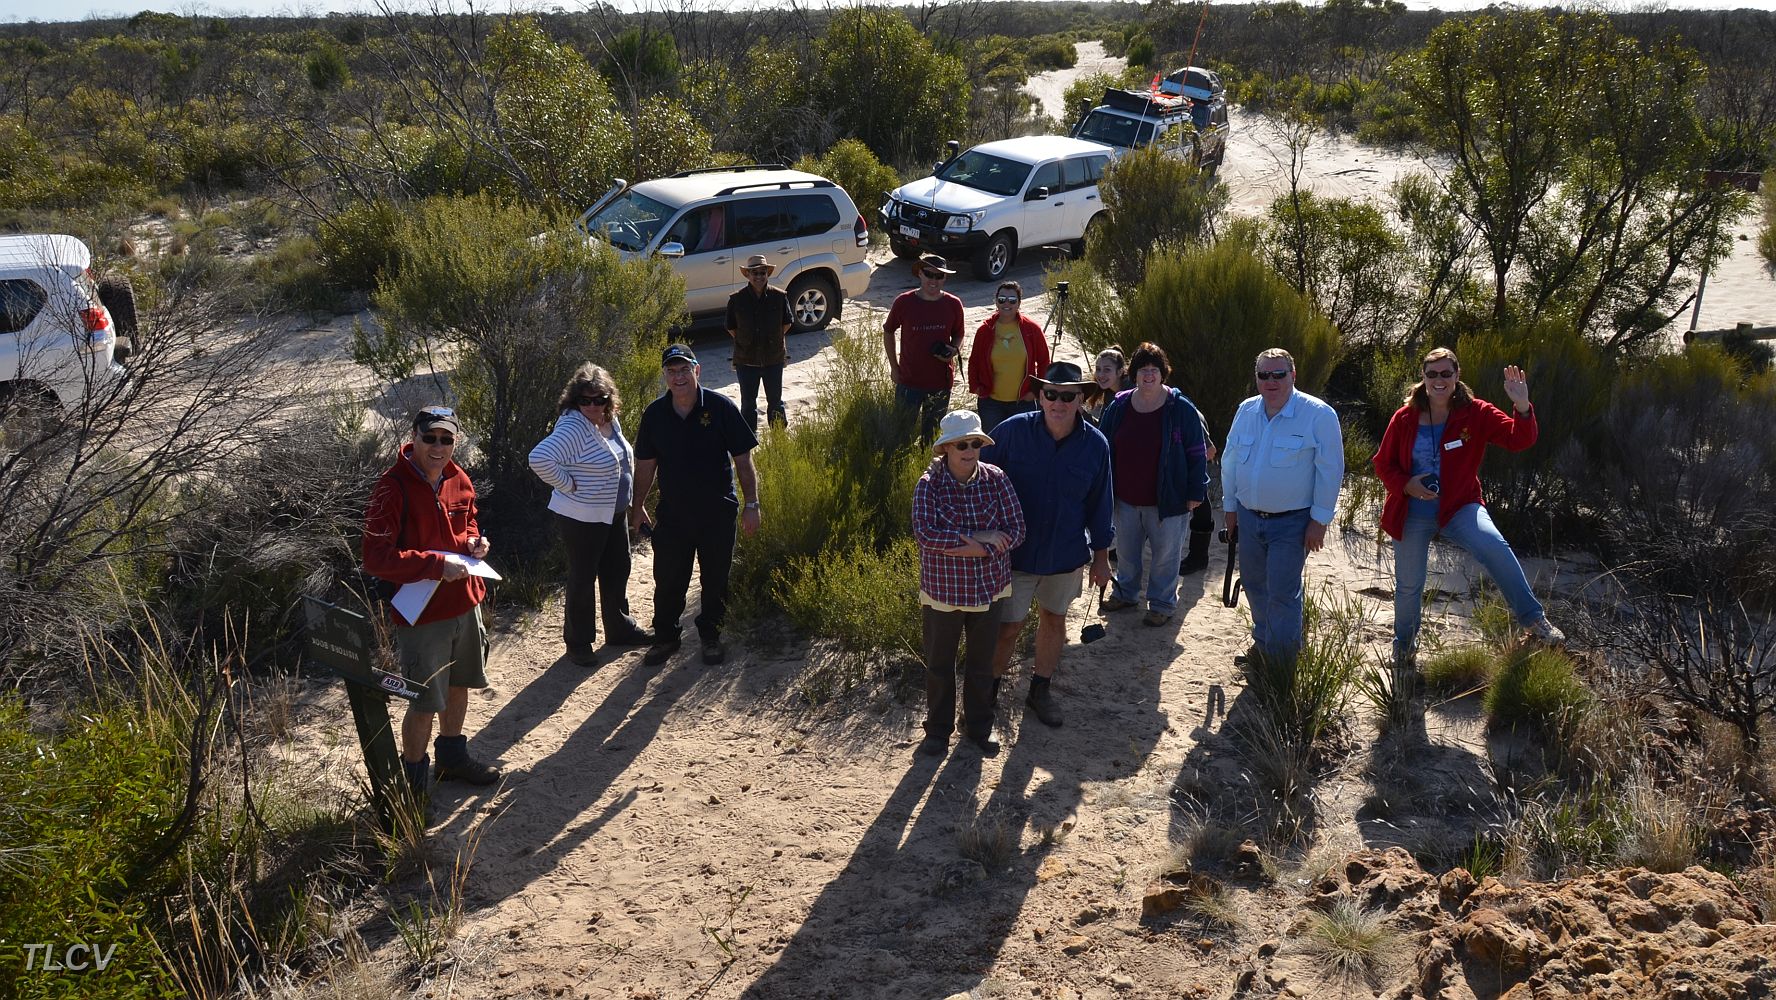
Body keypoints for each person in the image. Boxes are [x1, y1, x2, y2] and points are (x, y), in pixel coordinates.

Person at [1372, 348, 1565, 665]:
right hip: (1410, 511)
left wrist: (1521, 405)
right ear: (1423, 377)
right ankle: (1404, 645)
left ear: (1457, 376)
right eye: (1432, 374)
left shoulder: (1476, 413)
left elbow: (1519, 439)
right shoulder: (1404, 417)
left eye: (1445, 373)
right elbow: (1383, 464)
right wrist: (1407, 485)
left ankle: (1534, 621)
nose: (1439, 380)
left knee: (1494, 546)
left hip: (1460, 505)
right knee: (1409, 585)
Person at [363, 406, 501, 800]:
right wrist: (435, 565)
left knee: (460, 684)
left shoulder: (459, 478)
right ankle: (412, 786)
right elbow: (375, 558)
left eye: (447, 439)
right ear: (415, 437)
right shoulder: (392, 487)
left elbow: (469, 521)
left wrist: (476, 543)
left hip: (466, 603)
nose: (438, 447)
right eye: (430, 438)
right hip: (423, 615)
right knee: (424, 701)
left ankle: (453, 758)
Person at [982, 362, 1114, 728]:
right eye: (1051, 394)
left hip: (1066, 553)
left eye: (1068, 395)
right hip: (1016, 555)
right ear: (1040, 396)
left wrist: (1101, 559)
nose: (1058, 402)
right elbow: (976, 477)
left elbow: (1101, 504)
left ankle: (1040, 690)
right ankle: (987, 693)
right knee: (1008, 625)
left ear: (1082, 400)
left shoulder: (1096, 446)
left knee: (1054, 620)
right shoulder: (1011, 432)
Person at [631, 344, 762, 667]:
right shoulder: (655, 414)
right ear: (665, 376)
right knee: (668, 580)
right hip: (674, 515)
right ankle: (665, 638)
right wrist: (638, 506)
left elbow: (743, 461)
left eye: (684, 370)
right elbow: (646, 465)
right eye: (672, 371)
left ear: (697, 371)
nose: (678, 377)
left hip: (718, 512)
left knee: (716, 580)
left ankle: (711, 637)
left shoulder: (720, 408)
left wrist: (752, 504)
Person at [912, 410, 1027, 758]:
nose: (970, 449)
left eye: (976, 443)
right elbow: (926, 534)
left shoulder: (997, 479)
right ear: (945, 448)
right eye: (962, 444)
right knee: (939, 665)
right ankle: (938, 732)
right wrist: (981, 541)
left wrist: (972, 546)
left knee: (981, 665)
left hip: (989, 589)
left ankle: (978, 727)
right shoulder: (928, 485)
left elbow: (1018, 530)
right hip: (943, 592)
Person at [1221, 349, 1344, 665]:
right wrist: (1231, 508)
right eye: (1264, 375)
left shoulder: (1318, 415)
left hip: (1292, 523)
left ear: (1293, 375)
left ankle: (1280, 663)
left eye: (1279, 374)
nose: (1271, 381)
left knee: (1282, 591)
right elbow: (1231, 461)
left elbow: (1331, 471)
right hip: (1248, 518)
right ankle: (1263, 644)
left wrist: (1319, 520)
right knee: (1253, 584)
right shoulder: (1246, 411)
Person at [527, 364, 655, 668]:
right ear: (575, 401)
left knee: (618, 568)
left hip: (613, 512)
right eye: (585, 400)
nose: (593, 406)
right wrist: (568, 483)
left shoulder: (610, 420)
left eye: (599, 399)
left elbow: (622, 461)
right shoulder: (573, 427)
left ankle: (619, 628)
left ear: (609, 399)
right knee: (583, 577)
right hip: (582, 516)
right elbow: (539, 458)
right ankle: (579, 643)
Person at [1097, 343, 1209, 627]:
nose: (1148, 375)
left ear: (1163, 373)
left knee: (1165, 557)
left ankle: (1160, 604)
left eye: (1154, 370)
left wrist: (1197, 491)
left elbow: (1197, 452)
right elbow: (1102, 446)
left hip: (1169, 499)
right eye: (1143, 370)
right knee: (1126, 553)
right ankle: (1126, 593)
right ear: (1133, 374)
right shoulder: (1119, 405)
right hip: (1125, 497)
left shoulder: (1180, 408)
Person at [883, 253, 966, 439]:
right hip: (908, 381)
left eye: (939, 276)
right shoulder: (904, 302)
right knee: (901, 435)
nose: (934, 281)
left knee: (932, 438)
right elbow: (888, 331)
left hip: (940, 382)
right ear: (920, 273)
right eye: (929, 274)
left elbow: (959, 333)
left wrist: (953, 349)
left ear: (945, 278)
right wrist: (894, 368)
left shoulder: (954, 304)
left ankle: (928, 467)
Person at [966, 280, 1049, 432]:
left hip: (1023, 402)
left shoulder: (1031, 329)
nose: (1007, 304)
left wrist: (1036, 392)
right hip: (990, 403)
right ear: (996, 301)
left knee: (1021, 446)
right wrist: (976, 387)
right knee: (992, 446)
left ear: (1019, 303)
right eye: (1002, 299)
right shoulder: (985, 330)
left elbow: (1044, 362)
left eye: (1012, 300)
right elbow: (974, 361)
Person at [727, 253, 793, 430]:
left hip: (773, 358)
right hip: (745, 360)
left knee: (775, 401)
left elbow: (787, 323)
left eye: (762, 273)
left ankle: (779, 438)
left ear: (767, 274)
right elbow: (731, 326)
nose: (759, 277)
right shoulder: (736, 299)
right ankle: (749, 441)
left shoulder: (779, 296)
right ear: (747, 275)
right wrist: (746, 340)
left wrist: (773, 339)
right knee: (748, 403)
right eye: (755, 273)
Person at [1084, 348, 1128, 425]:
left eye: (1107, 370)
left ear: (1119, 372)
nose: (1101, 375)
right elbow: (1101, 428)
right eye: (1098, 369)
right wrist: (1081, 412)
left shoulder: (1133, 392)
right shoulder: (1109, 394)